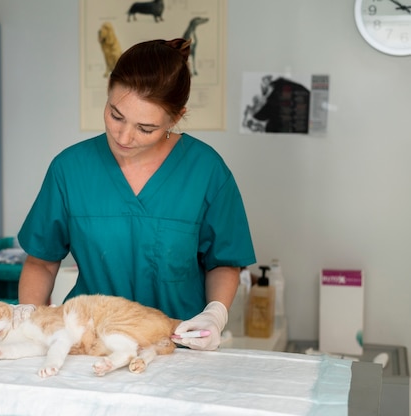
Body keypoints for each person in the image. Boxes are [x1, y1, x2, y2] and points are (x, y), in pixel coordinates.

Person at [17, 38, 256, 351]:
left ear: (176, 117)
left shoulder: (207, 171)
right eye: (116, 115)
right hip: (87, 346)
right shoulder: (70, 169)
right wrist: (30, 322)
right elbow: (42, 262)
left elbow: (224, 262)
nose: (124, 136)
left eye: (145, 128)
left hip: (175, 349)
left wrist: (215, 314)